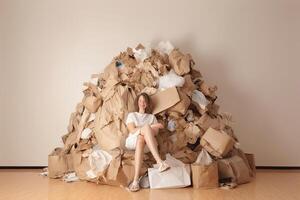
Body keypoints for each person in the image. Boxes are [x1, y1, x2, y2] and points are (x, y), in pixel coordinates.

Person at [125, 92, 170, 192]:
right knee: (143, 132)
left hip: (148, 144)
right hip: (132, 140)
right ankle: (159, 162)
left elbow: (154, 134)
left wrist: (150, 128)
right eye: (140, 100)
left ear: (147, 104)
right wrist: (151, 126)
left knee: (141, 138)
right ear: (137, 102)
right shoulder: (132, 115)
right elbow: (132, 130)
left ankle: (135, 181)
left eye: (144, 101)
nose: (142, 103)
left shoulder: (151, 117)